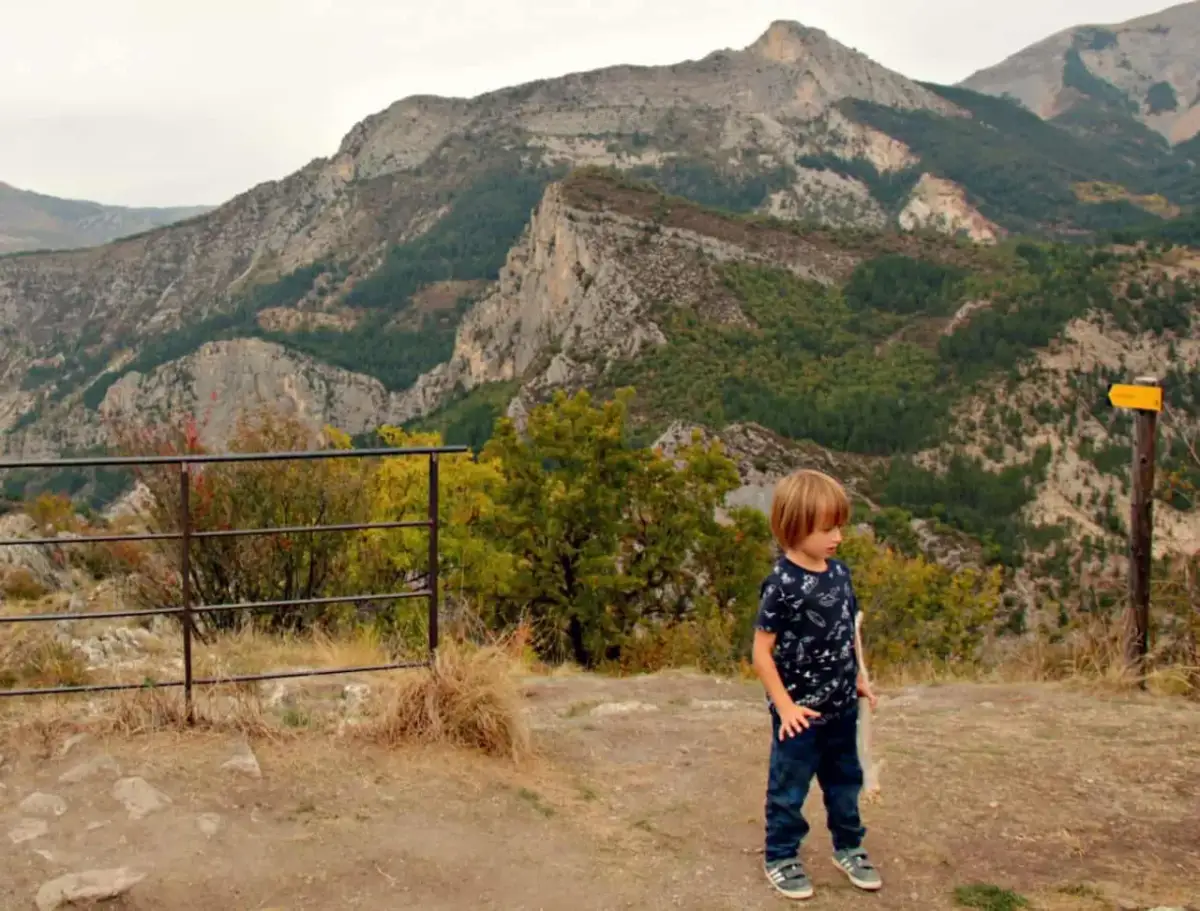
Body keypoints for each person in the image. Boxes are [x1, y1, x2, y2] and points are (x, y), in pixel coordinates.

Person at [751, 468, 881, 900]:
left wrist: (857, 681)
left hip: (841, 709)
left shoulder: (840, 575)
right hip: (800, 718)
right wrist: (785, 708)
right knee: (788, 790)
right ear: (795, 527)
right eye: (827, 528)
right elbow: (760, 653)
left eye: (839, 526)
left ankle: (850, 847)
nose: (837, 536)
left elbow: (846, 635)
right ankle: (781, 856)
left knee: (846, 785)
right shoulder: (781, 585)